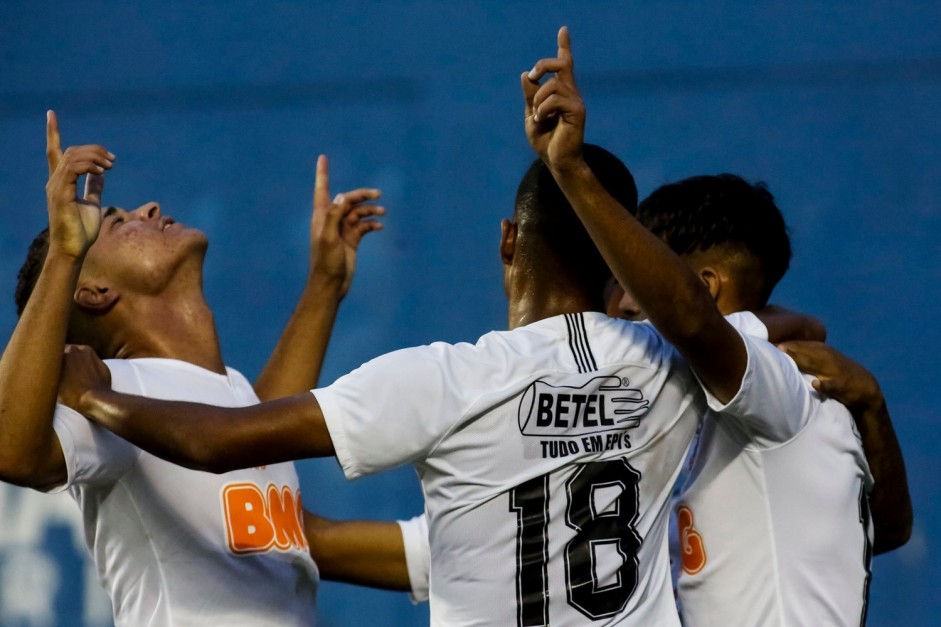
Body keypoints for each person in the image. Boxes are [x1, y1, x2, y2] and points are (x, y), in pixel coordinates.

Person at [58, 128, 726, 625]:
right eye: (116, 224)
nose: (144, 209)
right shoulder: (672, 367)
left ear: (505, 241)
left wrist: (93, 396)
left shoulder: (448, 379)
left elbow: (225, 440)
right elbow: (763, 335)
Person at [521, 26, 902, 626]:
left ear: (702, 286)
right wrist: (873, 407)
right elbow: (888, 530)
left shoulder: (781, 386)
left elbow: (695, 327)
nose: (621, 300)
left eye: (639, 279)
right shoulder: (742, 392)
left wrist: (571, 172)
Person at [0, 111, 424, 626]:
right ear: (93, 293)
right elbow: (13, 454)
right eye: (114, 222)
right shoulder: (112, 390)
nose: (149, 208)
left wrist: (324, 287)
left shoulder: (228, 394)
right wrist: (66, 251)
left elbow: (255, 435)